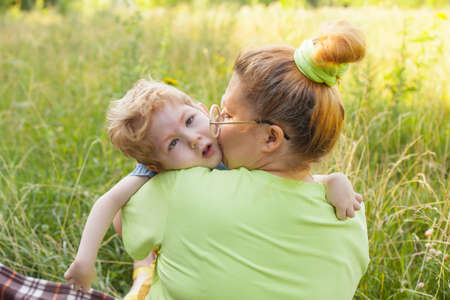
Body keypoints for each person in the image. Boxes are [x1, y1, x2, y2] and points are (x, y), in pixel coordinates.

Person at [121, 20, 369, 300]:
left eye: (227, 114)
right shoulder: (351, 214)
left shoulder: (183, 189)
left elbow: (123, 218)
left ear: (270, 139)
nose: (214, 124)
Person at [64, 79, 362, 298]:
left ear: (203, 109)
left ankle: (143, 268)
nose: (193, 138)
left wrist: (335, 181)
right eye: (173, 143)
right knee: (143, 279)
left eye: (191, 120)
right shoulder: (159, 176)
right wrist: (84, 261)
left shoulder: (225, 142)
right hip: (172, 249)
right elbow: (109, 202)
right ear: (156, 165)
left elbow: (291, 180)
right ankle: (142, 271)